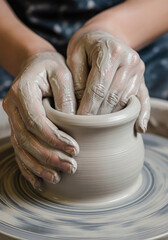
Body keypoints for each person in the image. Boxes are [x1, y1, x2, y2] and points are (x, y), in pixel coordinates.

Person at [0, 0, 167, 189]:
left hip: (137, 35)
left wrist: (109, 28)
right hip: (18, 38)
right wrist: (32, 53)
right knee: (20, 109)